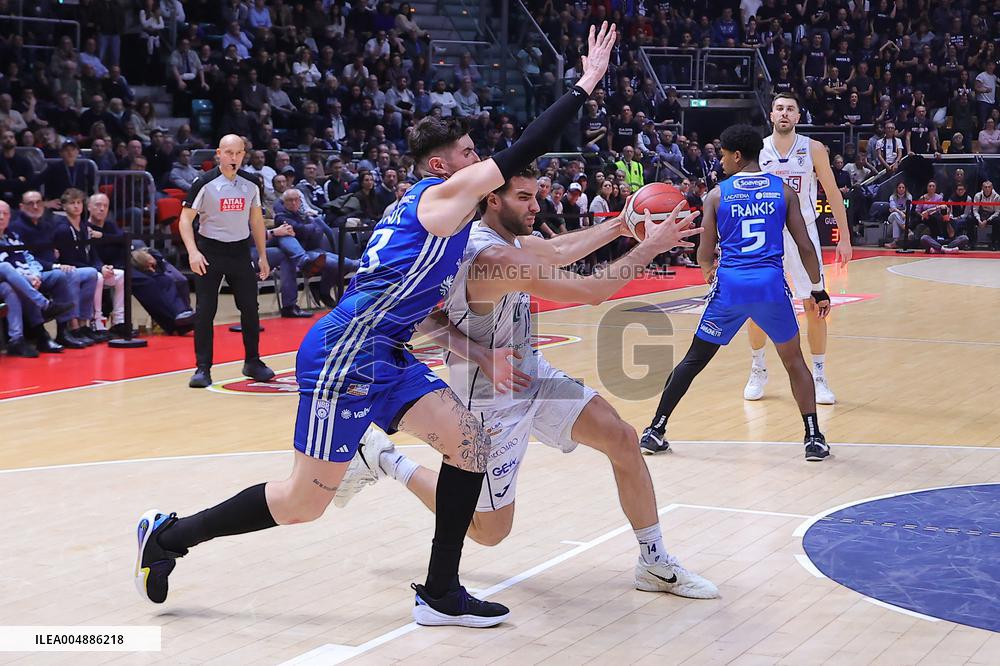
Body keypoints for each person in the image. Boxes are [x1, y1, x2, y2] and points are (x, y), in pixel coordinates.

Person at [133, 23, 618, 628]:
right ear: (444, 165)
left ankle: (440, 592)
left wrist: (618, 229)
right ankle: (169, 536)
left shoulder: (451, 215)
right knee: (301, 502)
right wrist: (584, 85)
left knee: (470, 443)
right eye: (471, 154)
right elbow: (520, 152)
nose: (481, 161)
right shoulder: (438, 196)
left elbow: (531, 260)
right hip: (346, 351)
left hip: (385, 351)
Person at [331, 164, 718, 599]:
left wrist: (621, 225)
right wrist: (650, 246)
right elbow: (590, 290)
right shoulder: (492, 258)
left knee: (622, 438)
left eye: (537, 196)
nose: (536, 206)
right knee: (489, 531)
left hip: (530, 373)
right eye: (524, 198)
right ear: (492, 200)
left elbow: (554, 251)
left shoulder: (502, 240)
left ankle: (654, 560)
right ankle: (386, 460)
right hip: (487, 397)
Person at [639, 125, 832, 462]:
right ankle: (813, 437)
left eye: (724, 154)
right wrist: (817, 289)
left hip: (732, 286)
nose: (721, 160)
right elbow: (804, 245)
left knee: (693, 360)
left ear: (737, 155)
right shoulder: (783, 191)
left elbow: (704, 251)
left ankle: (656, 428)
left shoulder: (717, 194)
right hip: (770, 286)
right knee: (794, 362)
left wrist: (707, 271)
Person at [739, 93, 852, 409]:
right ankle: (757, 369)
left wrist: (844, 237)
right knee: (758, 304)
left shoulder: (813, 149)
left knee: (816, 304)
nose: (784, 113)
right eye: (779, 108)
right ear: (772, 115)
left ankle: (818, 376)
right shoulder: (757, 151)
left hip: (804, 234)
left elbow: (831, 192)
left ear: (798, 116)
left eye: (790, 109)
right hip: (765, 236)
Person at [177, 134, 275, 388]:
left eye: (238, 153)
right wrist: (193, 252)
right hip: (210, 251)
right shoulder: (204, 183)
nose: (234, 158)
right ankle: (202, 368)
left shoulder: (252, 183)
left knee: (250, 308)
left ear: (244, 154)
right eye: (229, 153)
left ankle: (253, 361)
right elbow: (185, 219)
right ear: (218, 154)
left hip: (240, 251)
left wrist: (262, 255)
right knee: (205, 311)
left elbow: (255, 220)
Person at [972, 180, 1000, 250]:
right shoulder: (978, 196)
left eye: (989, 187)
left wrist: (987, 220)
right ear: (982, 188)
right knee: (969, 219)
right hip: (980, 215)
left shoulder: (997, 197)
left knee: (997, 221)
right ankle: (971, 242)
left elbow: (997, 212)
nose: (987, 189)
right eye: (985, 187)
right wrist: (979, 220)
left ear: (992, 187)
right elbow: (975, 210)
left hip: (991, 216)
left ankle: (994, 243)